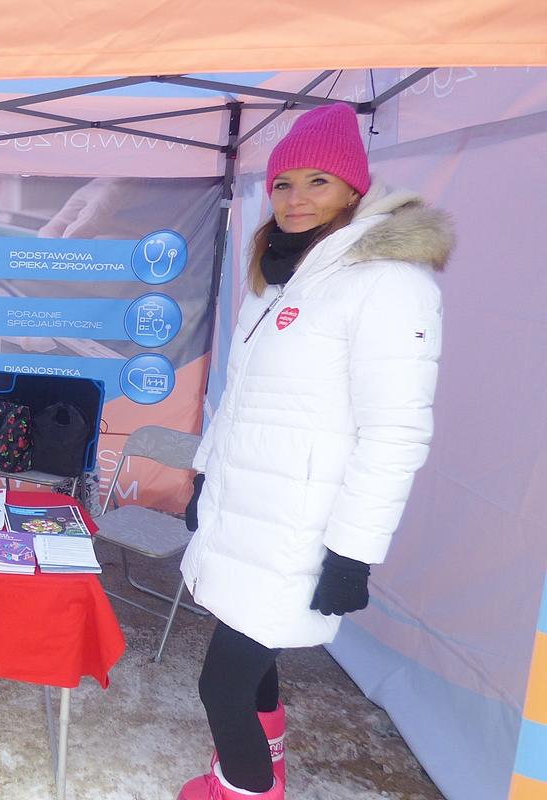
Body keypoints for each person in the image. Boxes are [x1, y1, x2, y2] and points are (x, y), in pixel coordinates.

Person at [177, 103, 453, 799]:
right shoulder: (280, 278)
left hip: (301, 525)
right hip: (249, 511)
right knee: (249, 653)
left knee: (221, 685)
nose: (296, 199)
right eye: (283, 184)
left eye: (317, 182)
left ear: (354, 189)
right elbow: (242, 399)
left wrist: (353, 552)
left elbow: (395, 432)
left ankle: (246, 789)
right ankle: (267, 754)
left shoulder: (388, 281)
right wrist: (206, 478)